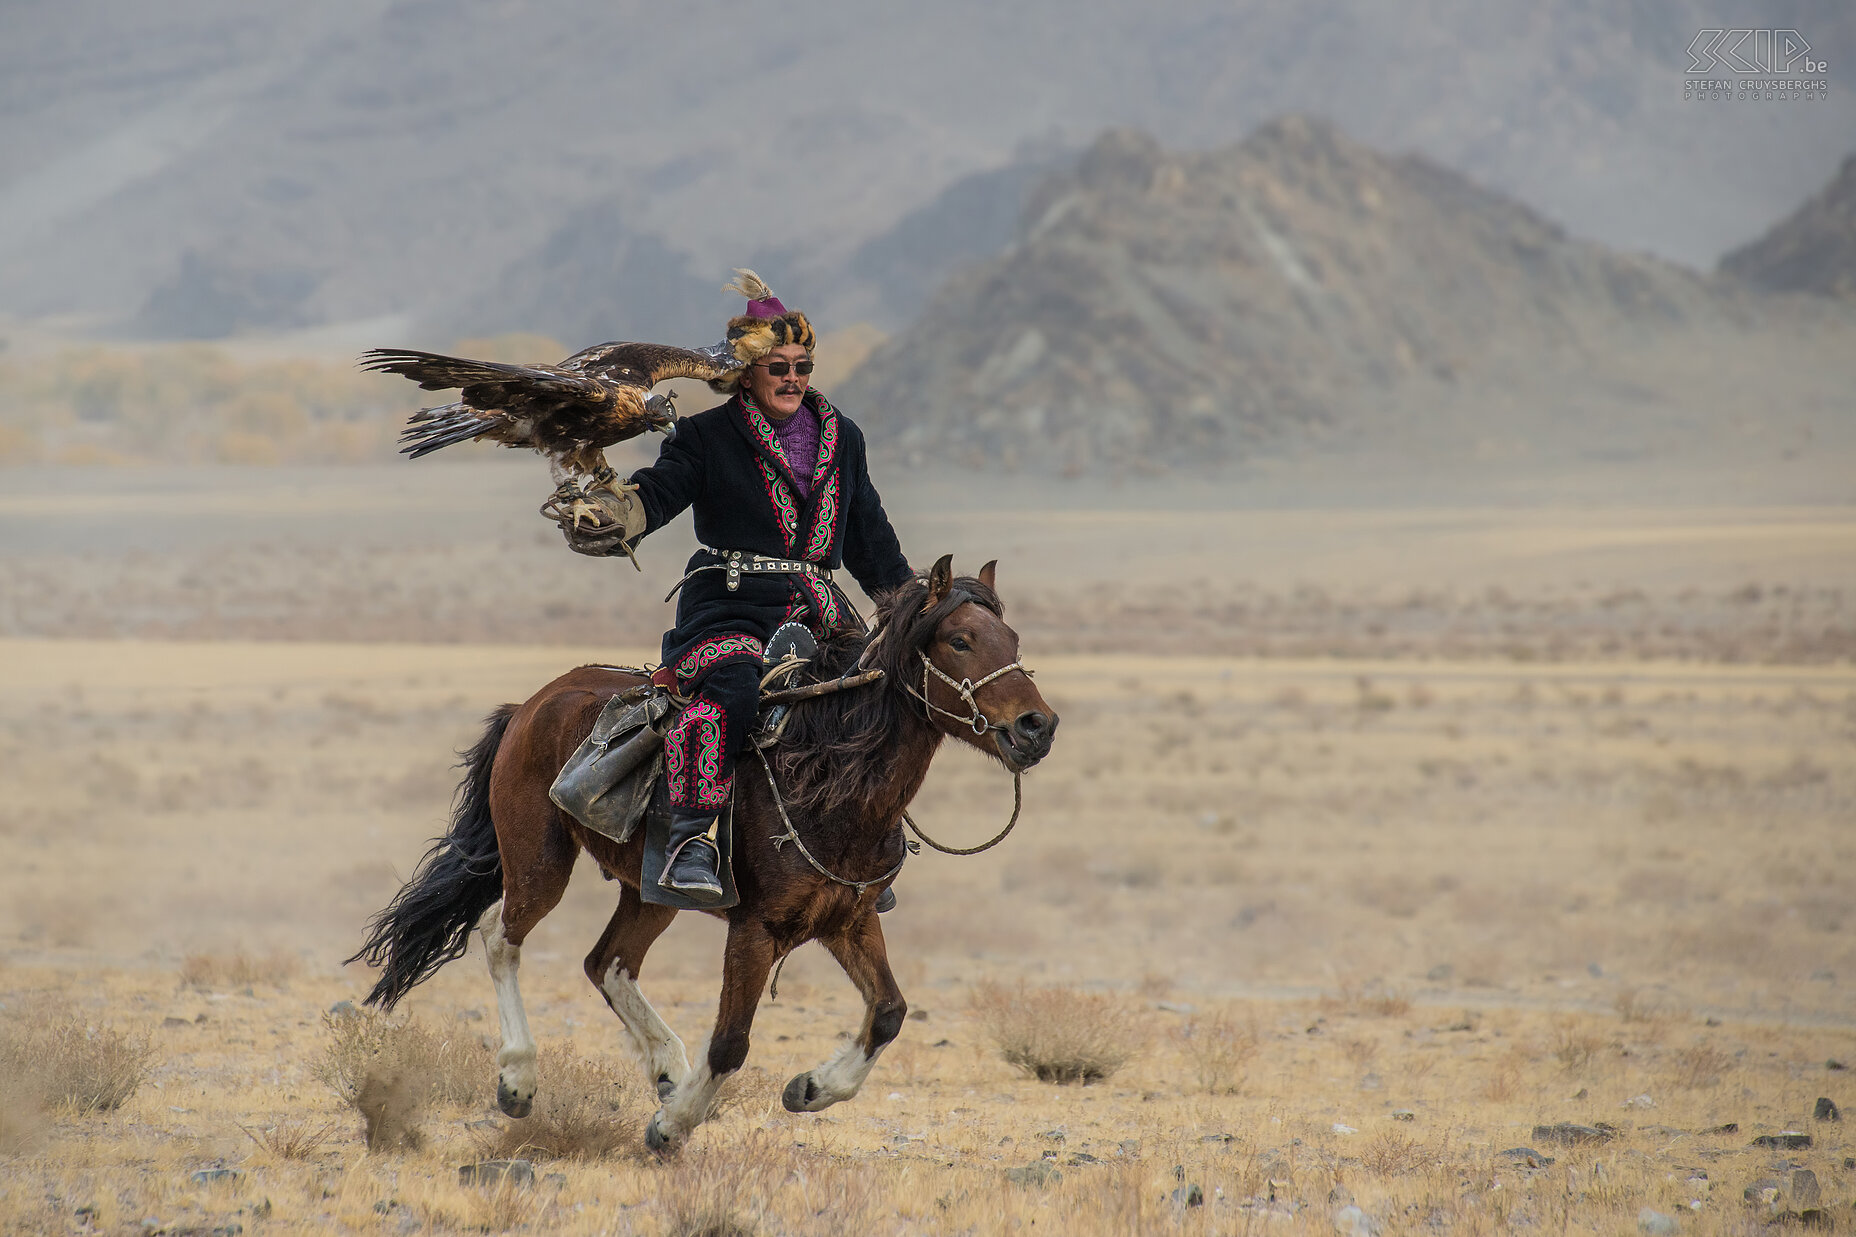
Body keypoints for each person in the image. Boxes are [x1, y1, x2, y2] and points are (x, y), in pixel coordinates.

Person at [565, 272, 913, 902]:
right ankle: (693, 838)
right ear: (746, 372)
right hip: (728, 608)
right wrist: (622, 513)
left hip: (820, 612)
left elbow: (872, 542)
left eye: (802, 365)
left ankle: (864, 845)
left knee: (874, 696)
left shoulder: (846, 439)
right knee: (731, 687)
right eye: (777, 366)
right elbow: (658, 493)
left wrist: (917, 607)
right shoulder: (705, 437)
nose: (793, 378)